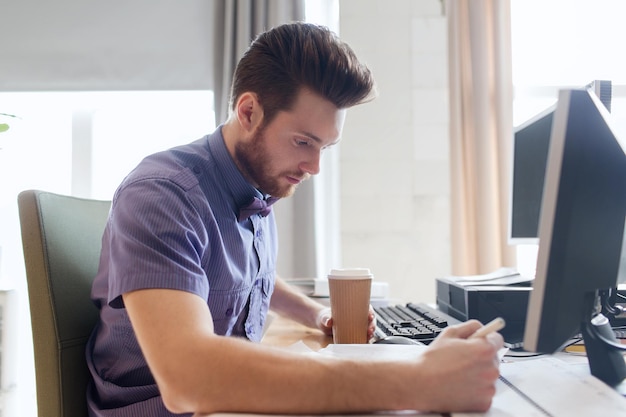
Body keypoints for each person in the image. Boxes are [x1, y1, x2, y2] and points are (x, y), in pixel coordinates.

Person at [86, 22, 504, 417]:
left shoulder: (254, 185)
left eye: (326, 146)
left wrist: (317, 315)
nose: (314, 166)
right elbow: (186, 379)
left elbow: (243, 280)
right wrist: (418, 379)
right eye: (303, 141)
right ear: (248, 111)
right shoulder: (163, 195)